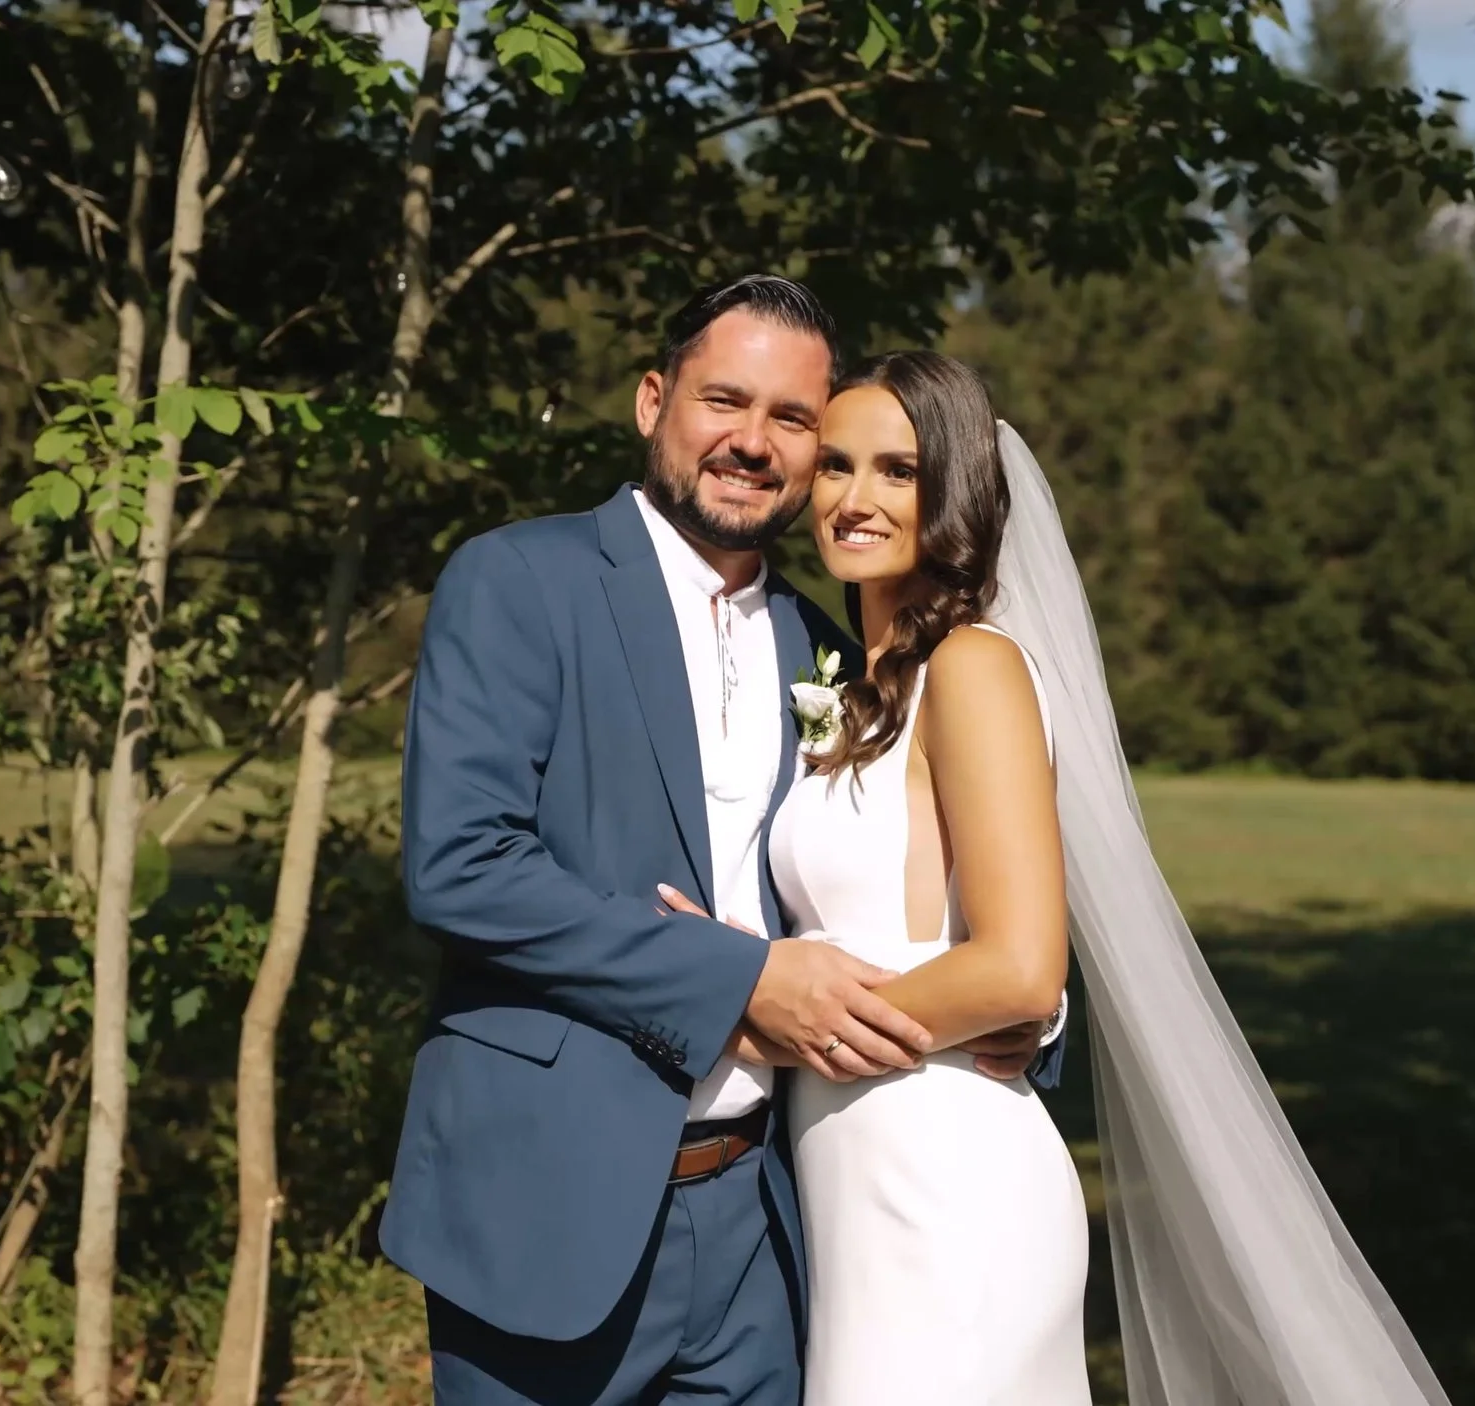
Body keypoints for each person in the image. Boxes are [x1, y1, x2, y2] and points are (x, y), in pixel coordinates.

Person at [669, 350, 1458, 1405]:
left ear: (954, 490)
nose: (854, 499)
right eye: (839, 465)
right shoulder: (858, 688)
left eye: (899, 471)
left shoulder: (974, 668)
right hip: (856, 1189)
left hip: (947, 1186)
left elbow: (1019, 970)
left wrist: (771, 1017)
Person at [380, 278, 1059, 1405]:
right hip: (550, 1205)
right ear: (653, 401)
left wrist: (1015, 1007)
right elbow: (461, 866)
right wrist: (738, 979)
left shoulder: (828, 650)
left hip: (772, 1228)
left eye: (792, 419)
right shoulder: (520, 579)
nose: (753, 441)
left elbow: (900, 878)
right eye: (724, 401)